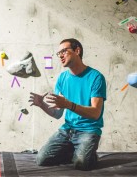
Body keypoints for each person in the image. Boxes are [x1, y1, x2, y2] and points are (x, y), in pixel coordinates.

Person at [29, 38, 106, 171]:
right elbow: (57, 113)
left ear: (77, 51)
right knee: (41, 160)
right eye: (58, 53)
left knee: (82, 164)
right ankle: (75, 151)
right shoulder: (62, 78)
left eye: (64, 51)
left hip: (88, 131)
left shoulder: (96, 77)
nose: (60, 56)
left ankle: (88, 155)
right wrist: (41, 104)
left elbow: (95, 113)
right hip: (67, 130)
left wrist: (69, 105)